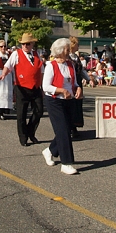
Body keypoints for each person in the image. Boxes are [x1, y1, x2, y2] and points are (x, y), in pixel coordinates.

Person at [41, 38, 82, 175]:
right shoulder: (51, 66)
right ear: (59, 50)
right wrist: (61, 91)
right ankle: (67, 163)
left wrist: (78, 89)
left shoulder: (70, 64)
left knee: (67, 129)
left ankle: (50, 151)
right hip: (54, 101)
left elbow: (74, 82)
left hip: (69, 100)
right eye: (66, 48)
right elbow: (46, 86)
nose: (68, 50)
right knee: (63, 130)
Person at [0, 33, 44, 147]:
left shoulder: (37, 55)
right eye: (23, 44)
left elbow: (41, 71)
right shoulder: (16, 54)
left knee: (39, 111)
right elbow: (8, 66)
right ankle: (23, 137)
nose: (25, 46)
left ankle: (30, 132)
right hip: (22, 87)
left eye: (28, 44)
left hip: (35, 87)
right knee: (21, 114)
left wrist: (41, 86)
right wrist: (3, 74)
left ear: (32, 44)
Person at [68, 36, 88, 138]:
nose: (78, 46)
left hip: (78, 82)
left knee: (77, 105)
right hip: (71, 83)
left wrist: (89, 79)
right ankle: (71, 128)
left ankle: (74, 126)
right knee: (71, 105)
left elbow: (82, 70)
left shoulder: (76, 57)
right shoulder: (67, 57)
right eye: (77, 44)